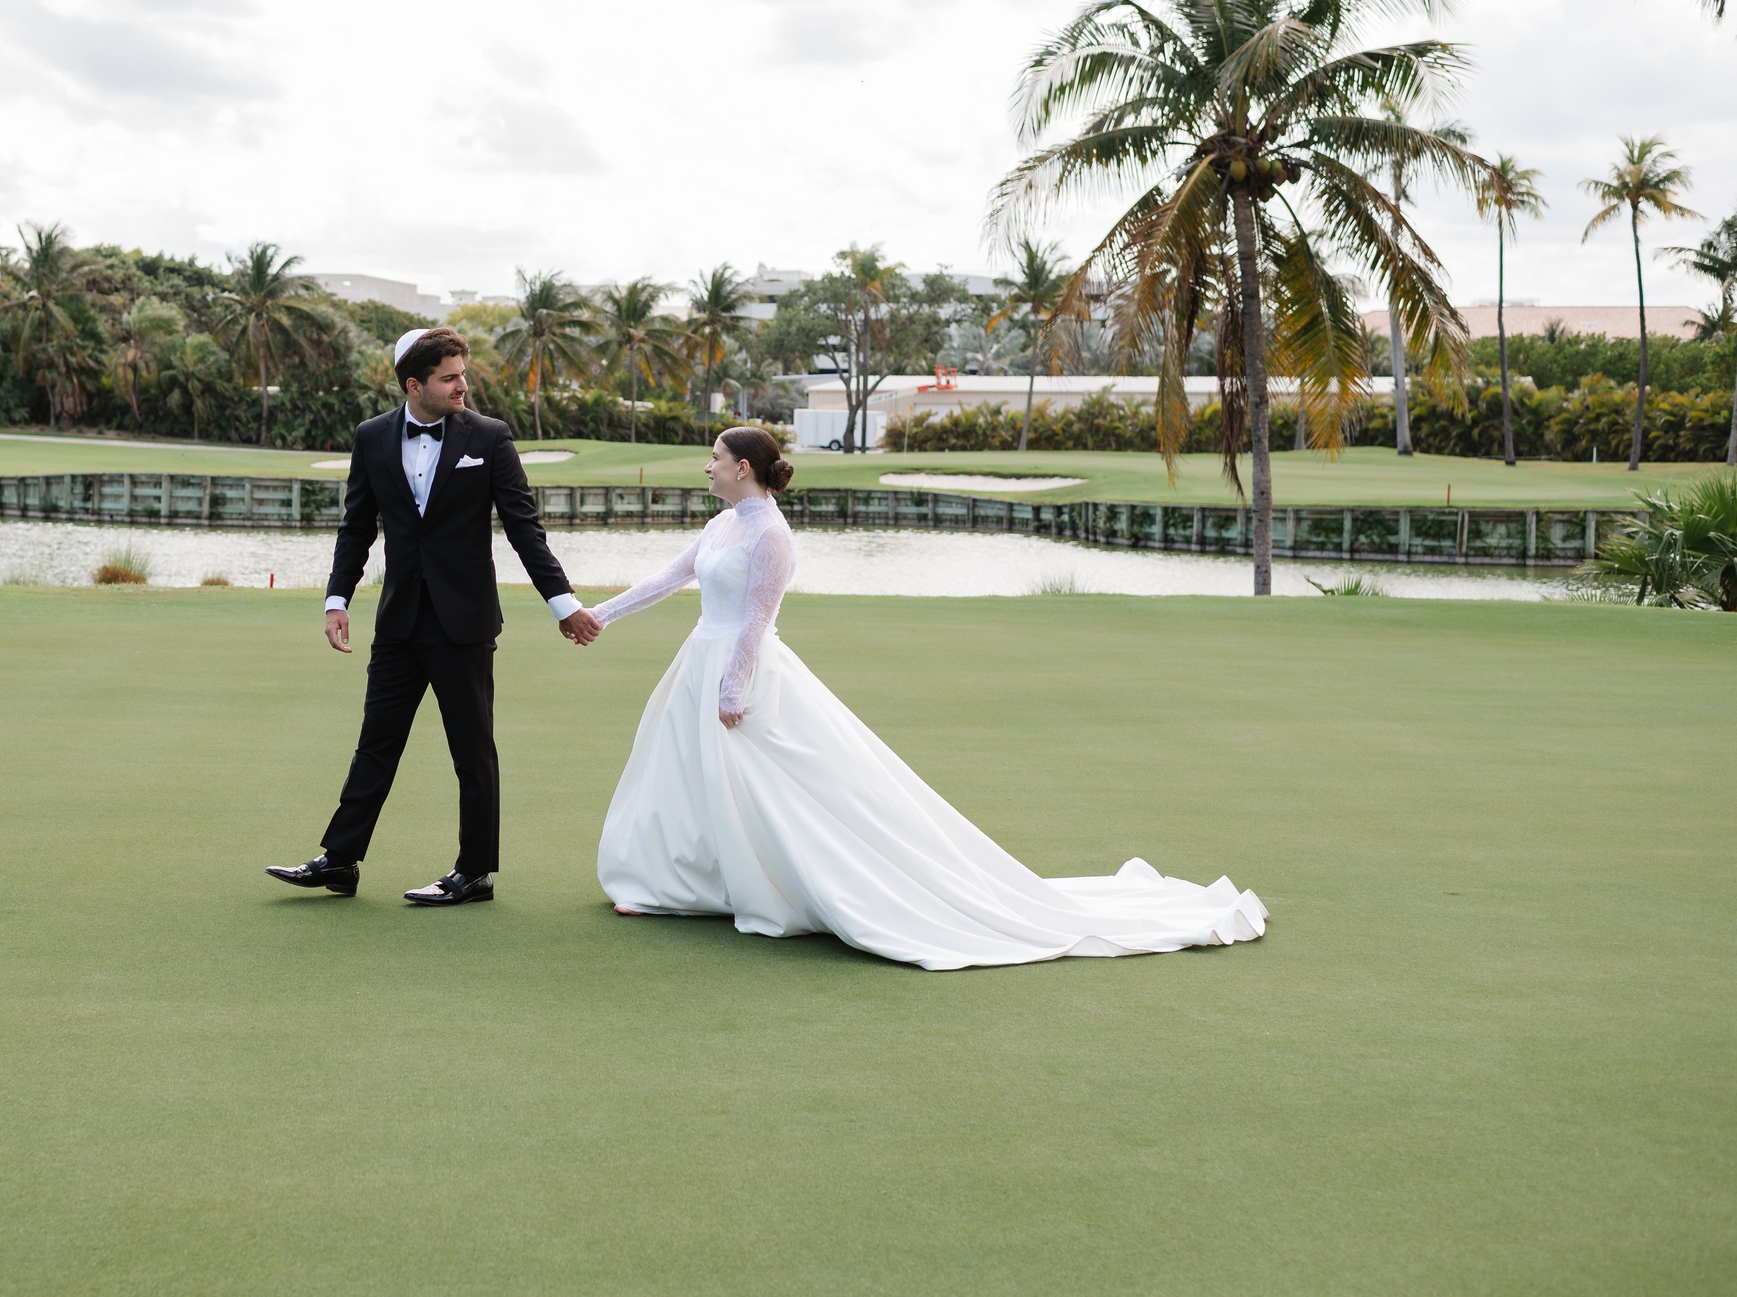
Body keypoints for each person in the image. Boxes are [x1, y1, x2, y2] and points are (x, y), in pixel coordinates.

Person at [580, 426, 1267, 970]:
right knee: (686, 776)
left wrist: (733, 689)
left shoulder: (771, 534)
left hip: (740, 670)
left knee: (765, 788)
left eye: (716, 457)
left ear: (745, 468)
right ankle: (676, 882)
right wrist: (596, 616)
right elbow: (668, 580)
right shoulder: (721, 526)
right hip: (698, 662)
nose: (706, 466)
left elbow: (758, 620)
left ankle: (775, 888)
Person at [267, 327, 600, 906]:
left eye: (462, 375)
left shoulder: (490, 438)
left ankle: (475, 873)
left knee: (472, 750)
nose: (462, 386)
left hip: (464, 622)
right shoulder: (371, 437)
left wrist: (563, 604)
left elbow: (524, 529)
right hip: (399, 621)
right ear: (413, 384)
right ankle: (341, 862)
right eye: (449, 378)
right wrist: (337, 599)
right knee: (375, 744)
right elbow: (356, 527)